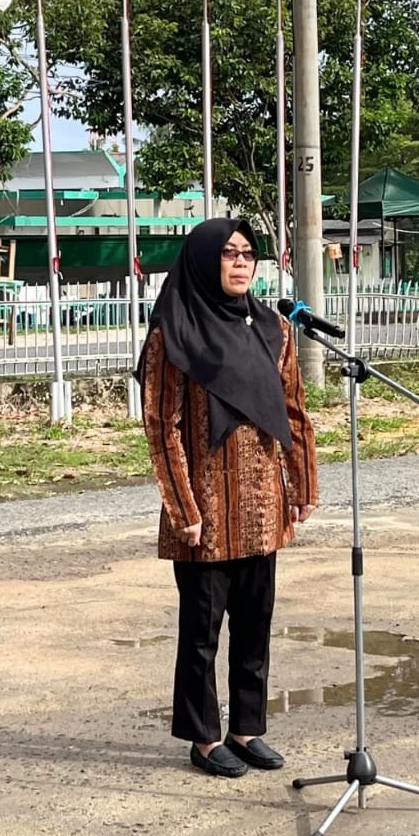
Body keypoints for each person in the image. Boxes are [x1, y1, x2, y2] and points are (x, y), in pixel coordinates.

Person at [137, 218, 319, 778]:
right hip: (205, 510)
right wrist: (182, 508)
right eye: (229, 253)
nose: (241, 263)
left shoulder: (273, 329)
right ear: (203, 260)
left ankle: (246, 729)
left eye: (249, 254)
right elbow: (161, 425)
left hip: (262, 504)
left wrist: (302, 483)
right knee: (201, 634)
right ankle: (203, 738)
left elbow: (293, 410)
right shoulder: (175, 332)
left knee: (255, 625)